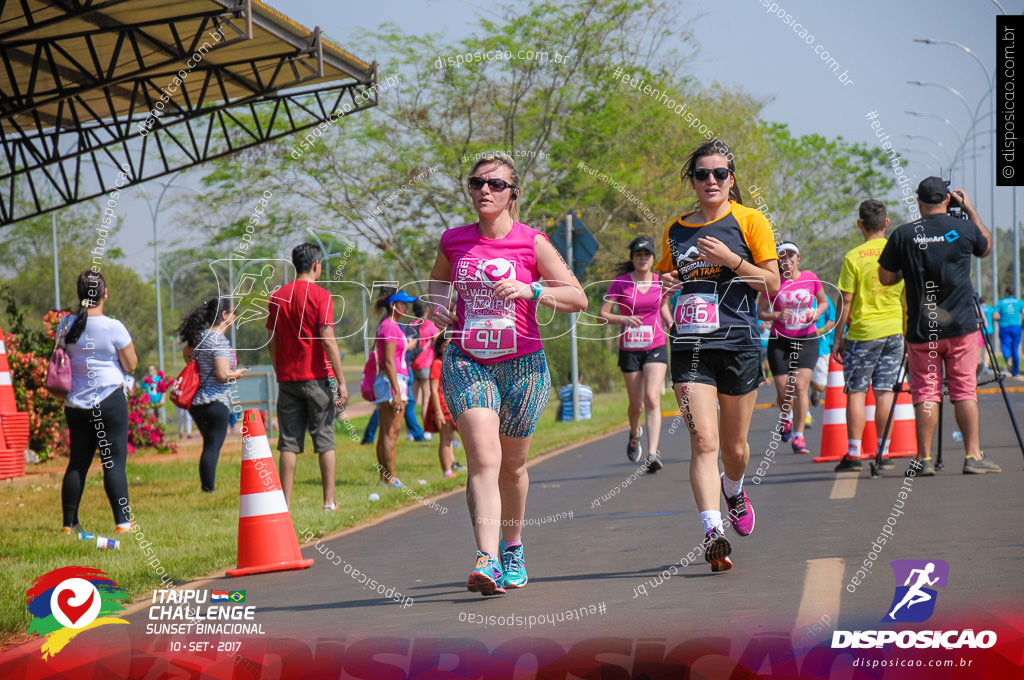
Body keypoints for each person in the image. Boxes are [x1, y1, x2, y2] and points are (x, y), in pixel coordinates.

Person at [428, 150, 586, 595]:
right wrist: (438, 308)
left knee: (512, 468)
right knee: (482, 457)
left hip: (523, 366)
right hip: (467, 360)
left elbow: (577, 297)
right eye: (477, 183)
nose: (484, 190)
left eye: (495, 184)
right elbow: (438, 283)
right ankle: (487, 558)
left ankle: (512, 547)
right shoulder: (453, 240)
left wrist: (530, 288)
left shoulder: (532, 242)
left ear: (513, 194)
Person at [656, 140, 780, 573]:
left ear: (732, 179)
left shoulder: (750, 221)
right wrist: (667, 287)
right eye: (702, 174)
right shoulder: (676, 228)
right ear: (691, 180)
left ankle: (735, 487)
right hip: (690, 344)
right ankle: (712, 531)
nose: (711, 181)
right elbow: (666, 277)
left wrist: (731, 260)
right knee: (703, 442)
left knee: (735, 448)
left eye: (720, 174)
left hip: (739, 343)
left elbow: (772, 285)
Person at [878, 178, 999, 476]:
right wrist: (970, 209)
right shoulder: (967, 229)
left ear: (918, 202)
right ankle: (972, 456)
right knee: (964, 390)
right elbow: (985, 249)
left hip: (922, 329)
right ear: (947, 200)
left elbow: (886, 278)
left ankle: (925, 459)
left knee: (926, 393)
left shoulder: (904, 234)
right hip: (961, 327)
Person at [266, 243, 348, 509]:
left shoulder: (277, 297)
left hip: (288, 379)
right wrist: (341, 380)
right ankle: (328, 502)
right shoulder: (321, 296)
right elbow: (328, 340)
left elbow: (272, 341)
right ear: (315, 265)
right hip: (317, 378)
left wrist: (280, 370)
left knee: (288, 443)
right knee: (325, 440)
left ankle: (285, 505)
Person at [58, 271, 138, 534]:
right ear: (104, 294)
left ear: (80, 294)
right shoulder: (113, 326)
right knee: (113, 462)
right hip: (108, 400)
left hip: (76, 404)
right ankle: (122, 522)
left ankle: (69, 525)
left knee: (77, 463)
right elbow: (131, 364)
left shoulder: (66, 324)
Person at [831, 200, 906, 472]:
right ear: (886, 223)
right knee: (885, 390)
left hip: (863, 333)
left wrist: (838, 337)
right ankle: (883, 453)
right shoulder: (899, 252)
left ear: (860, 225)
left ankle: (853, 454)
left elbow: (846, 301)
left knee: (857, 391)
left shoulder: (854, 257)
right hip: (894, 330)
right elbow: (908, 296)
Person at [598, 237, 670, 465]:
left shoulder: (660, 282)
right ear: (633, 258)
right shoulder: (620, 283)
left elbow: (663, 307)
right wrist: (624, 318)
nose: (642, 258)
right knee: (636, 404)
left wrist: (671, 323)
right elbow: (603, 315)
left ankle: (653, 453)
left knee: (652, 397)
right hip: (629, 347)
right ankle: (634, 432)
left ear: (653, 258)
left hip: (655, 344)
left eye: (647, 254)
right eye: (638, 254)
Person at [757, 242, 829, 455]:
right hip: (780, 341)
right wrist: (776, 315)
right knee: (783, 390)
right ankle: (786, 416)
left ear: (799, 258)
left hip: (806, 339)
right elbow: (760, 312)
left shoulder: (811, 278)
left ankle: (799, 436)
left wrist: (816, 313)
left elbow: (823, 302)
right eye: (782, 256)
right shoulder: (773, 283)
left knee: (799, 386)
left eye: (791, 255)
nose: (786, 260)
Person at [177, 297, 247, 492]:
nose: (234, 317)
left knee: (209, 445)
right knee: (212, 446)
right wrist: (237, 374)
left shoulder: (200, 337)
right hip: (215, 401)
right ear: (224, 315)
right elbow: (222, 374)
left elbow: (186, 353)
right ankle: (208, 489)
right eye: (233, 313)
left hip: (196, 401)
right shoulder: (220, 342)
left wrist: (197, 368)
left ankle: (207, 487)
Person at [372, 287, 416, 487]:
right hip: (393, 380)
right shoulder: (390, 326)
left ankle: (384, 479)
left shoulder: (392, 326)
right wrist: (397, 391)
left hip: (392, 380)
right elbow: (388, 361)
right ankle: (390, 479)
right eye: (403, 303)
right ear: (393, 305)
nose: (406, 307)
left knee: (385, 433)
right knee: (392, 433)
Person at [424, 333, 459, 477]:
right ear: (440, 348)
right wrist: (438, 411)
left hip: (452, 405)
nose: (449, 349)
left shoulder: (452, 363)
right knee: (445, 438)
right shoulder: (437, 364)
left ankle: (452, 463)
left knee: (450, 437)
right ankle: (447, 470)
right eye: (446, 346)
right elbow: (433, 388)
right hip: (442, 406)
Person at [409, 299, 440, 428]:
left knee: (412, 400)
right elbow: (437, 345)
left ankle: (411, 430)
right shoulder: (431, 326)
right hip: (426, 366)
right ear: (427, 309)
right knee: (426, 398)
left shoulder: (410, 325)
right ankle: (426, 429)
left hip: (412, 365)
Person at [808, 293, 836, 409]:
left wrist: (821, 331)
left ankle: (814, 385)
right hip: (800, 346)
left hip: (821, 347)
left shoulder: (823, 298)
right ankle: (805, 415)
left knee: (820, 385)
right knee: (799, 385)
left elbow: (832, 320)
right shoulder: (794, 297)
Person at [995, 287, 1023, 376]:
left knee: (1005, 345)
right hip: (1016, 326)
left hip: (1004, 326)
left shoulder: (1001, 302)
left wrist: (997, 318)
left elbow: (996, 316)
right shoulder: (1018, 302)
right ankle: (1015, 372)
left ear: (1006, 293)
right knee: (1015, 348)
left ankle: (1007, 357)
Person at [977, 296, 997, 377]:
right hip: (989, 330)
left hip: (979, 331)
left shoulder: (977, 308)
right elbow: (995, 317)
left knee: (979, 349)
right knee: (987, 349)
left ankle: (979, 363)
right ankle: (985, 366)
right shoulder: (991, 308)